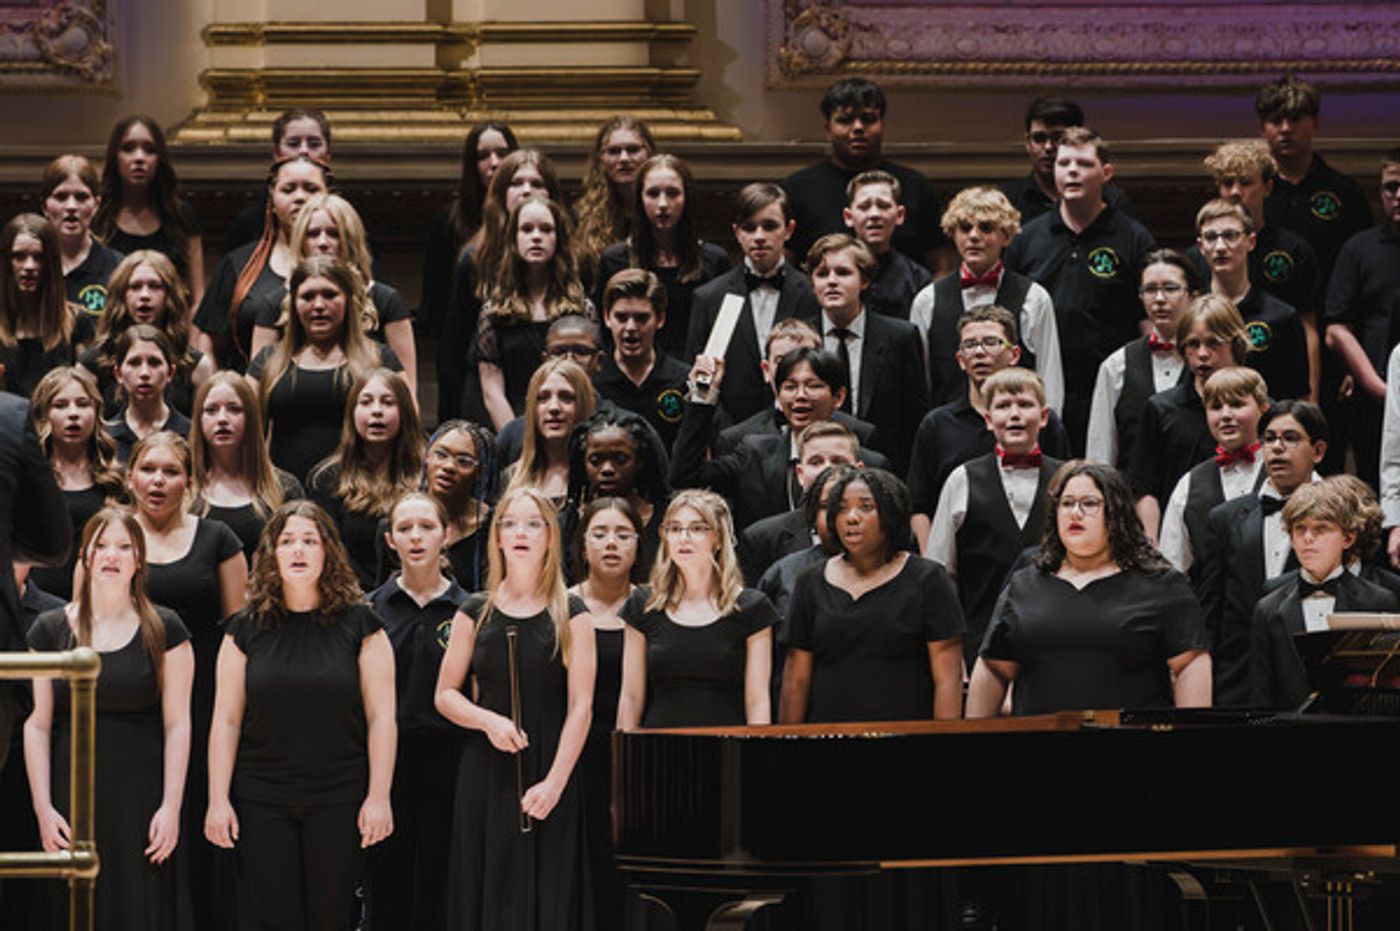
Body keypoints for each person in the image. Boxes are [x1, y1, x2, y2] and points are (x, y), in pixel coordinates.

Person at [205, 501, 395, 930]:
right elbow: (226, 720)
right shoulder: (244, 629)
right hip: (262, 794)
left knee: (331, 915)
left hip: (339, 793)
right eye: (287, 541)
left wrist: (379, 796)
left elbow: (382, 717)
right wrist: (218, 800)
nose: (298, 550)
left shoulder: (363, 625)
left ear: (328, 552)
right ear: (271, 553)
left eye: (310, 540)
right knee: (276, 917)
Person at [24, 506, 195, 930]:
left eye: (124, 547)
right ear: (85, 556)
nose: (112, 556)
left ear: (139, 559)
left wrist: (171, 807)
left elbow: (178, 724)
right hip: (71, 791)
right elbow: (38, 725)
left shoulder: (166, 629)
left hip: (142, 795)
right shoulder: (48, 629)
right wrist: (43, 808)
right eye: (101, 546)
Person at [434, 486, 596, 930]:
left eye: (532, 524)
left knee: (548, 887)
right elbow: (445, 694)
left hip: (551, 766)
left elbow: (581, 706)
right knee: (489, 881)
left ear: (550, 537)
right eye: (509, 524)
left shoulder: (573, 613)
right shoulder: (474, 611)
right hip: (486, 768)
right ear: (498, 538)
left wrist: (555, 784)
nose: (520, 532)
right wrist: (487, 720)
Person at [967, 460, 1211, 717]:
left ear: (1116, 513)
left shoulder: (1161, 584)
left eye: (1089, 503)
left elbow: (1189, 664)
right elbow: (994, 667)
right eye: (1067, 503)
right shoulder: (1024, 584)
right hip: (1039, 735)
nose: (1075, 513)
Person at [126, 431, 247, 931]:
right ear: (130, 476)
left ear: (190, 482)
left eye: (171, 471)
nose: (158, 481)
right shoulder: (111, 537)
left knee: (199, 818)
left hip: (204, 702)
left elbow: (239, 633)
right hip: (129, 703)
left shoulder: (218, 538)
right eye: (148, 469)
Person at [1004, 127, 1158, 450]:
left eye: (1084, 164)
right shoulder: (1027, 238)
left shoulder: (1133, 237)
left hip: (1113, 383)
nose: (1072, 171)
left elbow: (1148, 320)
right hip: (1040, 386)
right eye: (1064, 163)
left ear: (1106, 173)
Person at [365, 492, 472, 931]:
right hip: (387, 761)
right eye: (404, 528)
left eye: (426, 527)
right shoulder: (370, 610)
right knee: (387, 876)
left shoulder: (469, 609)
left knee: (441, 877)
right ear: (390, 540)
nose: (416, 537)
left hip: (451, 758)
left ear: (446, 535)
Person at [780, 467, 964, 722]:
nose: (851, 518)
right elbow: (796, 679)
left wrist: (943, 740)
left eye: (866, 507)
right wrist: (787, 741)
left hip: (907, 734)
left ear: (891, 514)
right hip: (827, 736)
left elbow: (948, 678)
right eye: (841, 509)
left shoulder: (928, 578)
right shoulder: (810, 581)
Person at [927, 369, 1064, 670]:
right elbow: (941, 572)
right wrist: (954, 655)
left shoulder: (1068, 480)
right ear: (989, 420)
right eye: (1003, 406)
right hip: (978, 645)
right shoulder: (962, 479)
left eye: (1024, 404)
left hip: (1054, 642)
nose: (1014, 414)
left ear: (1044, 417)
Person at [907, 306, 1072, 549]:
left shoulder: (1042, 423)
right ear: (960, 360)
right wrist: (933, 563)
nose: (979, 352)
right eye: (970, 344)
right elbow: (920, 505)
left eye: (991, 342)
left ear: (1014, 354)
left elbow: (1063, 492)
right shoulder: (937, 425)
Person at [672, 347, 886, 532]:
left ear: (838, 397)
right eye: (790, 387)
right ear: (778, 395)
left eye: (813, 385)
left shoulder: (873, 464)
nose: (800, 395)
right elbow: (687, 475)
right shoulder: (753, 454)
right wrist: (702, 397)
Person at [1199, 400, 1327, 706]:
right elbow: (1211, 612)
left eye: (1290, 438)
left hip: (1314, 685)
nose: (1277, 448)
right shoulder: (1225, 518)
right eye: (1269, 439)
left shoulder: (1344, 518)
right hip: (1237, 687)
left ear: (1318, 451)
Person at [618, 489, 776, 727]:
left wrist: (759, 749)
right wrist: (624, 745)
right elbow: (630, 697)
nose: (683, 538)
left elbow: (758, 701)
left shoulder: (752, 608)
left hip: (727, 743)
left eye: (697, 528)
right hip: (658, 743)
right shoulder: (643, 603)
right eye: (674, 528)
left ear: (719, 538)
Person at [250, 255, 403, 485]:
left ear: (348, 300)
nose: (319, 305)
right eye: (307, 296)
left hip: (361, 491)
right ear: (293, 304)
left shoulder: (379, 358)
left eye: (330, 295)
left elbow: (407, 428)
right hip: (284, 493)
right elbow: (246, 433)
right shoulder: (269, 361)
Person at [249, 192, 418, 398]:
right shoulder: (273, 303)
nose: (323, 242)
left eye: (334, 233)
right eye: (312, 234)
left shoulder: (386, 301)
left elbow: (407, 395)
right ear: (300, 240)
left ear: (351, 239)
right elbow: (256, 392)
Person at [911, 185, 1063, 413]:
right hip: (949, 428)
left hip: (1016, 427)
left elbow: (1050, 378)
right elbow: (919, 384)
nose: (974, 236)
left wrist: (1047, 426)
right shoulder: (927, 300)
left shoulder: (1034, 298)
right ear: (953, 235)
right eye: (965, 228)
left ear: (1007, 236)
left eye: (986, 228)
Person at [1251, 478, 1400, 708]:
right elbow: (1261, 696)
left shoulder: (1379, 600)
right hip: (1287, 729)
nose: (1308, 538)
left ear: (1348, 538)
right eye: (1300, 529)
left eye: (1321, 529)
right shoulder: (1267, 609)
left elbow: (1386, 688)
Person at [442, 149, 565, 425]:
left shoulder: (569, 258)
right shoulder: (474, 258)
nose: (526, 191)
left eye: (536, 183)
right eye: (516, 183)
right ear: (500, 193)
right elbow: (454, 345)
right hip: (488, 385)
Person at [685, 183, 821, 425]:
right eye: (749, 227)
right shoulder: (709, 297)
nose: (759, 236)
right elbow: (696, 376)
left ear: (789, 230)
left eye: (769, 226)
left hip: (801, 426)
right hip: (728, 432)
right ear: (737, 232)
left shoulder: (813, 294)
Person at [568, 496, 642, 931]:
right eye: (599, 533)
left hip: (632, 756)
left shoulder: (652, 605)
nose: (611, 543)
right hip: (571, 757)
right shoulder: (560, 606)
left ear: (639, 544)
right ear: (582, 544)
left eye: (622, 534)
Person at [1200, 140, 1323, 398]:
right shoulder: (1199, 256)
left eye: (1245, 183)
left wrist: (1309, 401)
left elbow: (1307, 328)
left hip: (1274, 370)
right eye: (1227, 183)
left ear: (1267, 187)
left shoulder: (1294, 250)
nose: (1235, 192)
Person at [783, 77, 946, 271]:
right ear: (828, 129)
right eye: (845, 120)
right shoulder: (797, 190)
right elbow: (785, 270)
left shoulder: (916, 187)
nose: (858, 128)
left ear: (882, 125)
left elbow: (939, 269)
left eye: (868, 119)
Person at [1127, 294, 1253, 541]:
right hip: (1181, 537)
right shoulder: (1161, 409)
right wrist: (1153, 544)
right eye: (1193, 344)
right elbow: (1144, 487)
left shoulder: (1260, 409)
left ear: (1236, 344)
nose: (1202, 354)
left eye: (1213, 343)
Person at [193, 155, 331, 372]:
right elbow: (208, 342)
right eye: (288, 190)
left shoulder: (351, 263)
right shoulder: (239, 264)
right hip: (250, 384)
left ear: (327, 195)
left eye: (311, 189)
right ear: (272, 199)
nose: (300, 197)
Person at [806, 233, 928, 475]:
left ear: (864, 280)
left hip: (885, 472)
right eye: (822, 274)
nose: (832, 281)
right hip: (817, 468)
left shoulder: (900, 336)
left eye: (843, 273)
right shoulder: (802, 339)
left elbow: (914, 420)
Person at [596, 154, 732, 359]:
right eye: (652, 194)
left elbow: (722, 334)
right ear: (640, 199)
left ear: (686, 198)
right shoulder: (615, 259)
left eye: (672, 193)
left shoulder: (714, 260)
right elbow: (605, 332)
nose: (662, 204)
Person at [477, 197, 593, 430]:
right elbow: (492, 389)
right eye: (527, 229)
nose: (537, 236)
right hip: (513, 426)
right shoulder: (494, 312)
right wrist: (518, 438)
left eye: (546, 229)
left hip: (571, 426)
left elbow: (590, 382)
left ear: (559, 238)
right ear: (514, 238)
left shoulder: (582, 308)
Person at [1325, 148, 1400, 491]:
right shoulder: (1359, 248)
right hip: (1374, 397)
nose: (1398, 195)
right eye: (1391, 187)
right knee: (1375, 489)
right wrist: (1380, 388)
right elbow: (1336, 329)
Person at [308, 368, 424, 589]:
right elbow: (330, 550)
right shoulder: (326, 479)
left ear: (405, 412)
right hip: (350, 594)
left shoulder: (426, 474)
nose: (377, 411)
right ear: (352, 412)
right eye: (366, 402)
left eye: (388, 403)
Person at [1086, 249, 1197, 468]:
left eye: (1170, 288)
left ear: (1194, 296)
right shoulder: (1116, 365)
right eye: (1150, 290)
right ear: (1140, 297)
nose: (1159, 299)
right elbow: (1100, 452)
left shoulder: (1208, 361)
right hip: (1131, 488)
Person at [1256, 75, 1373, 282]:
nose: (1286, 129)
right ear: (1262, 129)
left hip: (1332, 301)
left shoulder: (1346, 192)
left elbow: (1364, 261)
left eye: (1295, 119)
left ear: (1316, 123)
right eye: (1276, 121)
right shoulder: (1251, 192)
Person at [1158, 367, 1268, 579]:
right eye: (1216, 407)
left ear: (1264, 409)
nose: (1225, 415)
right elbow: (1173, 568)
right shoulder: (1190, 484)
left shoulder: (1287, 474)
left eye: (1237, 404)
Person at [1196, 198, 1309, 402]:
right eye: (1211, 237)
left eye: (1230, 235)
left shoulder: (1283, 317)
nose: (1220, 246)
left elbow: (1298, 396)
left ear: (1251, 241)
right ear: (1201, 246)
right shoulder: (1191, 316)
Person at [27, 367, 124, 601]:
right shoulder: (26, 476)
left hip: (101, 599)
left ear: (96, 411)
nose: (73, 413)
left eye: (82, 404)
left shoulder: (115, 478)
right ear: (43, 414)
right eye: (60, 405)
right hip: (35, 604)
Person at [80, 250, 213, 417]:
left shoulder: (196, 368)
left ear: (169, 295)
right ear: (122, 295)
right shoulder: (92, 366)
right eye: (135, 287)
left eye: (155, 286)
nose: (144, 295)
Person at [713, 319, 877, 454]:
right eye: (782, 360)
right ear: (766, 370)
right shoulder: (736, 439)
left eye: (805, 358)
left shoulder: (860, 433)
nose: (794, 369)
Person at [189, 372, 303, 562]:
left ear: (251, 418)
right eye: (211, 410)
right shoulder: (183, 488)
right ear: (199, 419)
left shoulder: (284, 488)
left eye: (234, 409)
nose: (222, 418)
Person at [420, 121, 518, 339]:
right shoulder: (448, 221)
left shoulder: (534, 217)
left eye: (502, 154)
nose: (495, 163)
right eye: (483, 156)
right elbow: (436, 307)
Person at [92, 116, 204, 303]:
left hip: (173, 320)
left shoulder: (181, 216)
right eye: (128, 148)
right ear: (115, 156)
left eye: (150, 150)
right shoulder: (97, 215)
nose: (139, 158)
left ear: (160, 159)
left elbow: (198, 297)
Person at [740, 420, 863, 585]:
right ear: (800, 473)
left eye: (838, 461)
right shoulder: (762, 538)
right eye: (816, 462)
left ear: (860, 470)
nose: (827, 469)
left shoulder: (881, 533)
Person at [565, 408, 670, 581]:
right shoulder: (568, 523)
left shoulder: (666, 520)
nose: (607, 469)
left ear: (639, 461)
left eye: (620, 459)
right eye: (596, 460)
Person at [594, 268, 691, 450]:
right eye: (621, 317)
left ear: (660, 319)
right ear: (607, 317)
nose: (631, 327)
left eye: (641, 318)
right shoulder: (593, 381)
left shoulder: (683, 381)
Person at [0, 214, 95, 399]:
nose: (29, 266)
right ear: (6, 261)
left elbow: (87, 397)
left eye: (39, 257)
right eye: (19, 257)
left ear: (51, 262)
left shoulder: (76, 323)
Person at [1001, 96, 1135, 225]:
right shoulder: (1007, 201)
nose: (1048, 147)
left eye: (1057, 138)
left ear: (1077, 139)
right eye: (1039, 138)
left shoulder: (1113, 200)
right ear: (1027, 143)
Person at [224, 109, 334, 249]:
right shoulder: (249, 221)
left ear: (328, 154)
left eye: (314, 144)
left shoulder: (348, 217)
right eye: (293, 144)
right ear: (276, 153)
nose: (304, 151)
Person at [502, 358, 597, 506]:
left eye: (566, 398)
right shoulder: (508, 480)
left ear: (583, 406)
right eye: (543, 398)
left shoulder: (599, 478)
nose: (554, 408)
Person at [39, 154, 124, 319]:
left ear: (96, 205)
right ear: (45, 207)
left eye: (81, 197)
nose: (71, 206)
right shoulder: (27, 264)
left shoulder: (118, 267)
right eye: (61, 197)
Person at [573, 115, 655, 285]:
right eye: (614, 151)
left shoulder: (665, 208)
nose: (624, 158)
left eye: (633, 150)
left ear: (649, 154)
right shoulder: (580, 217)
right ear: (601, 159)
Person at [420, 419, 500, 592]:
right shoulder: (400, 522)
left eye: (463, 461)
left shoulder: (495, 526)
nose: (449, 466)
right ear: (426, 457)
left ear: (480, 472)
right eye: (441, 454)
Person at [840, 169, 930, 320]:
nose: (874, 214)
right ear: (848, 217)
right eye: (864, 206)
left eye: (883, 206)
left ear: (900, 215)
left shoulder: (917, 278)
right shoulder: (831, 274)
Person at [101, 325, 192, 461]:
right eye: (134, 363)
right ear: (118, 374)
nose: (144, 373)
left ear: (170, 373)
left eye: (154, 363)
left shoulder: (191, 435)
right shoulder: (105, 438)